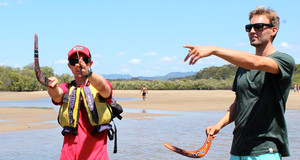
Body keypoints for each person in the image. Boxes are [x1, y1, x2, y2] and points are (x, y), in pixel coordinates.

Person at [183, 6, 294, 159]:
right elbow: (238, 103)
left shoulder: (284, 61)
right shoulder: (243, 67)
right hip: (238, 148)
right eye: (249, 27)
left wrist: (214, 50)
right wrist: (218, 125)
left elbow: (255, 62)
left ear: (273, 30)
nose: (252, 31)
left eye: (259, 27)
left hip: (265, 149)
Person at [47, 45, 113, 160]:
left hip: (97, 156)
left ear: (90, 63)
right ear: (69, 66)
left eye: (84, 60)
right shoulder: (66, 88)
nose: (78, 64)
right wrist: (51, 87)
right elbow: (57, 95)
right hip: (69, 155)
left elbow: (104, 87)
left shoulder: (100, 86)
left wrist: (89, 73)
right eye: (74, 61)